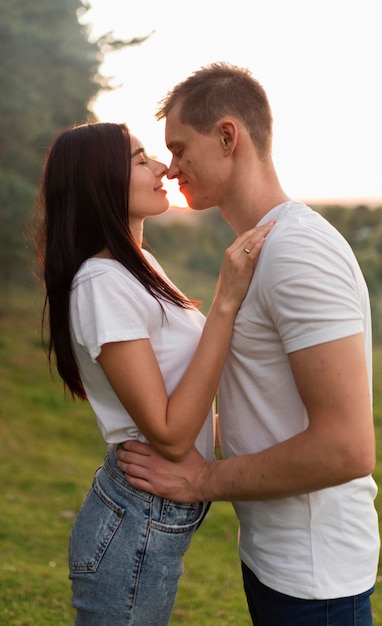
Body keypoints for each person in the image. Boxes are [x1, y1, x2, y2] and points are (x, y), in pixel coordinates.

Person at [116, 63, 380, 626]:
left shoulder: (298, 253)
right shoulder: (258, 250)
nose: (171, 167)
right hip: (275, 561)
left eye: (180, 148)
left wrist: (202, 480)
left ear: (229, 137)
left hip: (317, 583)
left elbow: (347, 447)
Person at [34, 120, 274, 625]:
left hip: (152, 515)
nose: (163, 167)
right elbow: (167, 434)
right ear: (100, 182)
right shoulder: (100, 283)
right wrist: (225, 300)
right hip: (136, 520)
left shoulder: (139, 263)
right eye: (141, 160)